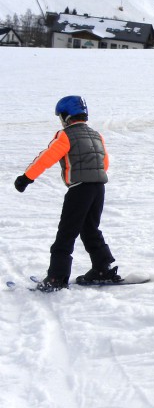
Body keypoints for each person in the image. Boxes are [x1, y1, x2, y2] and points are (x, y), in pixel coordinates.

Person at [14, 96, 122, 292]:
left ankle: (56, 277)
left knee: (66, 233)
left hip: (80, 189)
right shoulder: (97, 135)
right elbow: (104, 164)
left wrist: (26, 178)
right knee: (90, 230)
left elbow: (46, 158)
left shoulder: (66, 135)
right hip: (99, 187)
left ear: (65, 116)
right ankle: (102, 268)